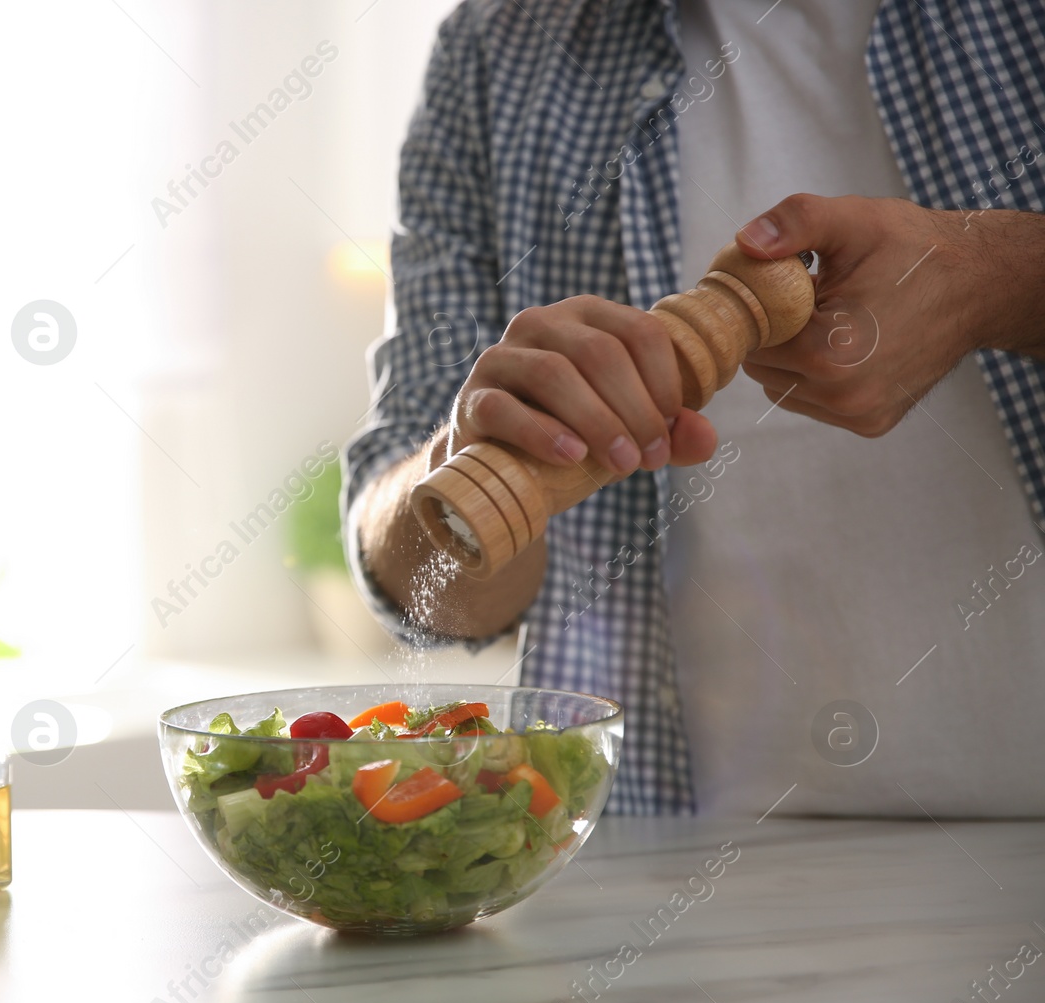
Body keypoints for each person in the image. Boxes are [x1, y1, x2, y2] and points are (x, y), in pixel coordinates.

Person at [343, 0, 1045, 817]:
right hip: (654, 869)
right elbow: (417, 598)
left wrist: (997, 280)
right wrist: (467, 456)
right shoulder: (497, 47)